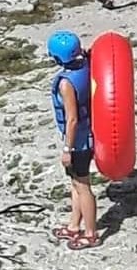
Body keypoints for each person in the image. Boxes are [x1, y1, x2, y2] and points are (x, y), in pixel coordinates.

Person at [46, 30, 101, 251]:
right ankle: (73, 226)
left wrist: (67, 149)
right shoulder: (85, 66)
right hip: (86, 136)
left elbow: (72, 119)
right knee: (76, 184)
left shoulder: (66, 84)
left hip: (79, 142)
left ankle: (91, 233)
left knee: (83, 185)